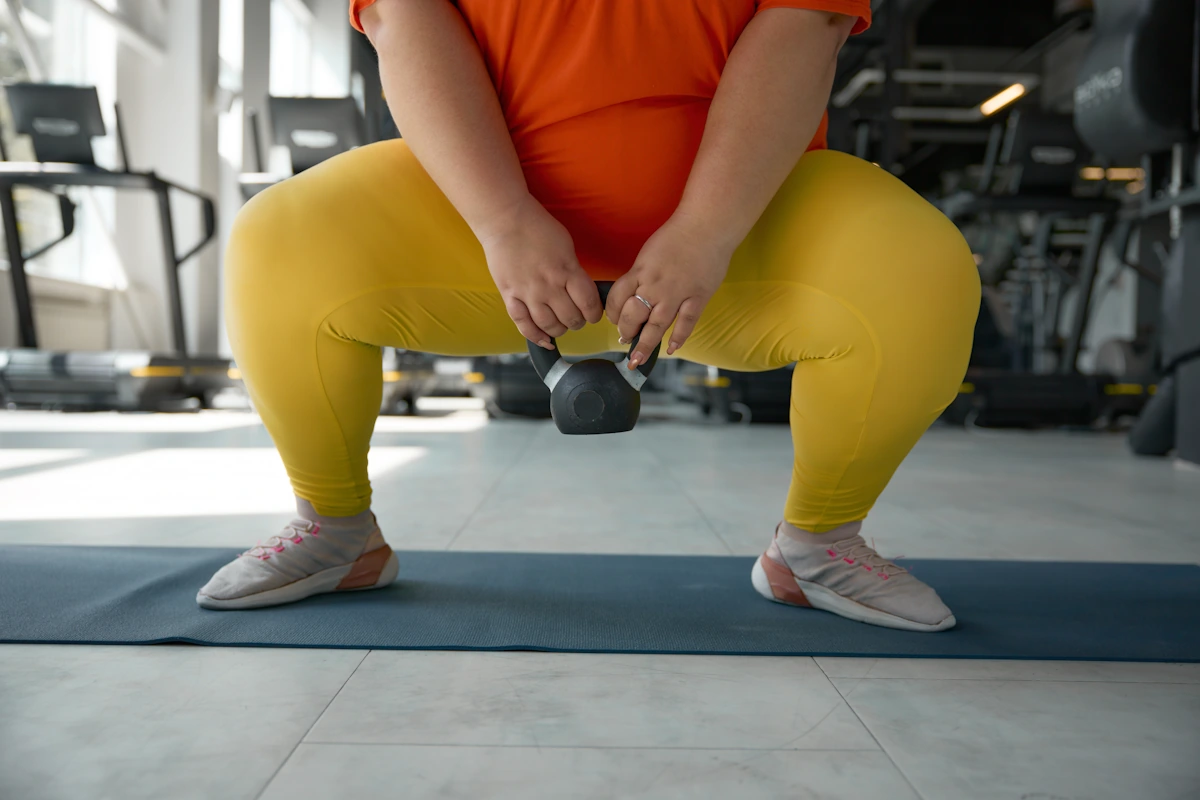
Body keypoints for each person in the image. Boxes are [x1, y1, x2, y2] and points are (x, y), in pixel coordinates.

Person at [197, 0, 980, 632]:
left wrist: (704, 232)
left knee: (921, 270)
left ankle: (818, 547)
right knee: (278, 243)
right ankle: (337, 534)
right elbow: (406, 17)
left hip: (741, 235)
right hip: (480, 227)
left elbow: (805, 20)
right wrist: (504, 221)